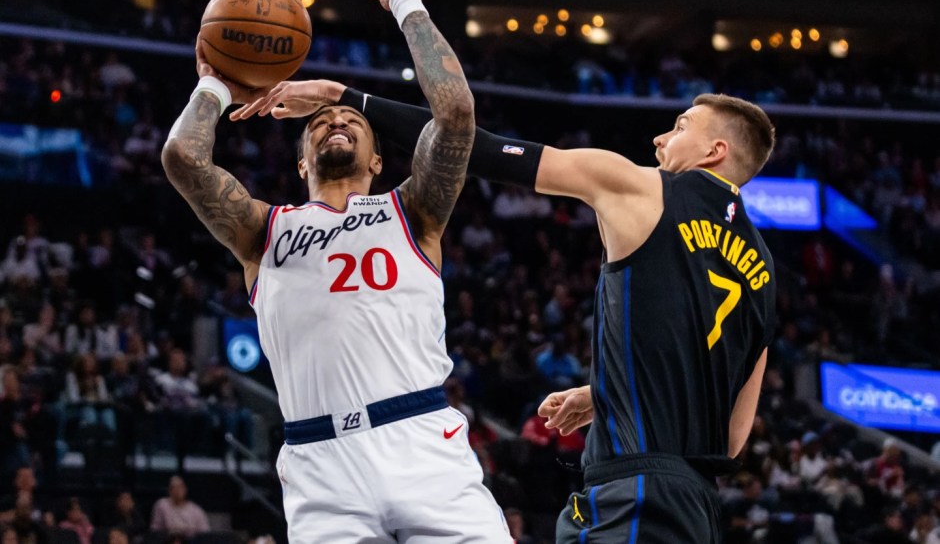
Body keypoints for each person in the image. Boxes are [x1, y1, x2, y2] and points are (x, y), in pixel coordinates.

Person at [234, 78, 776, 541]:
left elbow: (478, 148)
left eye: (680, 126)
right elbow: (731, 437)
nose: (660, 138)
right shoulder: (766, 271)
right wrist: (609, 392)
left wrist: (345, 96)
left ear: (715, 151)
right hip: (696, 506)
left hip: (635, 490)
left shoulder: (643, 187)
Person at [162, 0, 509, 543]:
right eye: (321, 122)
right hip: (321, 465)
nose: (337, 120)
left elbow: (455, 113)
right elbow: (183, 159)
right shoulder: (264, 231)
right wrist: (215, 84)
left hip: (421, 443)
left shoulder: (414, 210)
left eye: (351, 118)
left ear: (379, 159)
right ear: (301, 164)